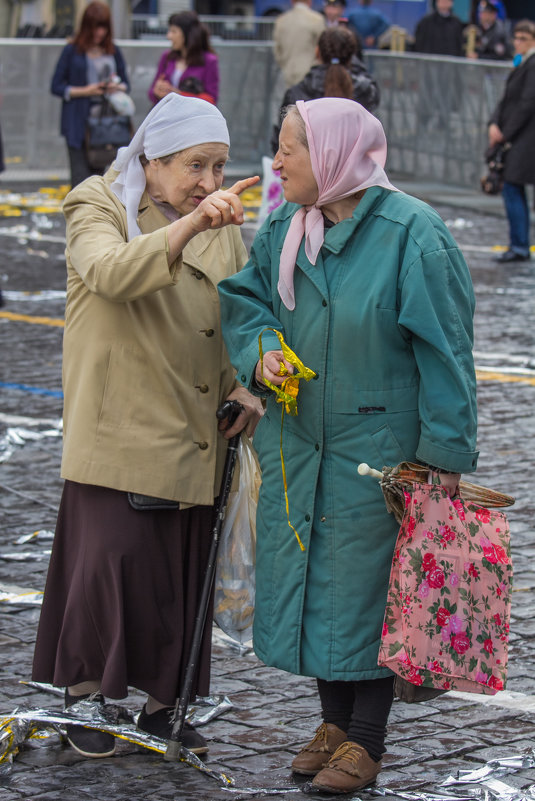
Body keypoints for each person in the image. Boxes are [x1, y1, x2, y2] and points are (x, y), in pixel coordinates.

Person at [218, 97, 478, 795]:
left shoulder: (411, 235)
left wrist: (442, 458)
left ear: (332, 156)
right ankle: (333, 724)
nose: (275, 162)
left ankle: (365, 739)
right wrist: (264, 350)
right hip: (300, 448)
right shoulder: (286, 225)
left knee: (371, 595)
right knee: (317, 588)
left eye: (288, 149)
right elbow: (246, 302)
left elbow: (446, 353)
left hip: (383, 456)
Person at [31, 93, 262, 759]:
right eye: (196, 165)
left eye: (218, 168)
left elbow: (239, 310)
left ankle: (166, 705)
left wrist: (246, 386)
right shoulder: (97, 203)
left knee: (176, 574)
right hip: (121, 424)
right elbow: (108, 273)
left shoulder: (217, 219)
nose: (209, 184)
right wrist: (191, 227)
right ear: (152, 158)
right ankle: (83, 695)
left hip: (196, 425)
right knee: (108, 565)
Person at [50, 0, 130, 189]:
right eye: (95, 27)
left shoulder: (113, 50)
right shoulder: (72, 51)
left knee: (107, 182)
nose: (99, 33)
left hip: (108, 124)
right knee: (80, 180)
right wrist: (87, 90)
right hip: (79, 123)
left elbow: (127, 84)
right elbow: (56, 86)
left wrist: (115, 87)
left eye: (103, 27)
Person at [271, 27, 380, 152]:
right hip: (354, 170)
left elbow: (281, 140)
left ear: (317, 52)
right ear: (352, 56)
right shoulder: (366, 91)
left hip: (308, 170)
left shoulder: (296, 94)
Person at [488, 19, 535, 262]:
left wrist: (505, 132)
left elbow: (527, 103)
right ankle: (519, 243)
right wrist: (494, 123)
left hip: (524, 139)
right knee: (512, 188)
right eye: (516, 38)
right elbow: (506, 100)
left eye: (523, 39)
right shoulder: (521, 63)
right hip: (516, 136)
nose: (517, 43)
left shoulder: (532, 64)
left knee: (512, 187)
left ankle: (519, 245)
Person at [148, 11, 219, 105]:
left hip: (193, 118)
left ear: (187, 34)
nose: (168, 36)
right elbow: (151, 93)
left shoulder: (209, 61)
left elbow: (211, 99)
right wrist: (157, 91)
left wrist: (178, 95)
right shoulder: (167, 57)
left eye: (173, 31)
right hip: (168, 116)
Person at [273, 0, 326, 89]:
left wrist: (284, 64)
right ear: (309, 1)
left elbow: (277, 51)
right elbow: (323, 47)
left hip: (288, 72)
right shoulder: (316, 19)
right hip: (310, 72)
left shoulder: (281, 20)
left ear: (292, 1)